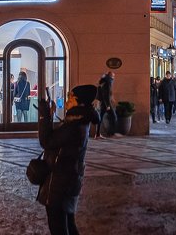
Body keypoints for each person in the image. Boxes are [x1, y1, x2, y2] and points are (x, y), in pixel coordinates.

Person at [36, 84, 99, 235]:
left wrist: (44, 117)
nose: (67, 100)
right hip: (68, 179)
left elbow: (47, 141)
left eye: (71, 97)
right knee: (68, 224)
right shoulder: (78, 121)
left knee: (58, 226)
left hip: (60, 182)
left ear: (80, 102)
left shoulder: (75, 126)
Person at [95, 70, 118, 138]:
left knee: (100, 118)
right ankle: (111, 133)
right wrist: (108, 105)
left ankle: (98, 134)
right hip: (105, 103)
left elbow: (106, 93)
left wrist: (111, 99)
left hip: (103, 102)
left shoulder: (103, 81)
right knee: (114, 117)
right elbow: (106, 94)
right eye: (113, 76)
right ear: (111, 76)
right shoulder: (108, 81)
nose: (113, 78)